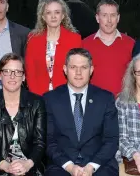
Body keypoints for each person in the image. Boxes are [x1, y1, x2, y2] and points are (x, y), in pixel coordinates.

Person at [43, 48, 119, 176]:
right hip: (62, 165)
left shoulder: (105, 99)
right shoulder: (50, 99)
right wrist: (70, 167)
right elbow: (49, 140)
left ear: (91, 70)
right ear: (65, 69)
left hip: (98, 164)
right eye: (73, 67)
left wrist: (91, 167)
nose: (78, 73)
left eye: (84, 67)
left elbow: (112, 140)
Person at [0, 53, 47, 176]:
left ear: (23, 77)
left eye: (17, 72)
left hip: (30, 167)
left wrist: (27, 164)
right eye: (7, 71)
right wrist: (5, 166)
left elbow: (40, 143)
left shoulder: (37, 102)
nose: (12, 76)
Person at [25, 0, 82, 96]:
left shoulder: (74, 39)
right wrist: (36, 96)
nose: (53, 16)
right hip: (39, 95)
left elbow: (76, 71)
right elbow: (30, 72)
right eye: (48, 13)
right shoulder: (33, 39)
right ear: (43, 16)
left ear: (63, 15)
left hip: (65, 96)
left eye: (57, 12)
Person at [81, 0, 135, 97]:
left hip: (123, 104)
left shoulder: (131, 44)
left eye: (113, 15)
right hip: (94, 103)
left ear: (118, 18)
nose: (109, 20)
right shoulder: (85, 44)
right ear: (97, 18)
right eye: (104, 15)